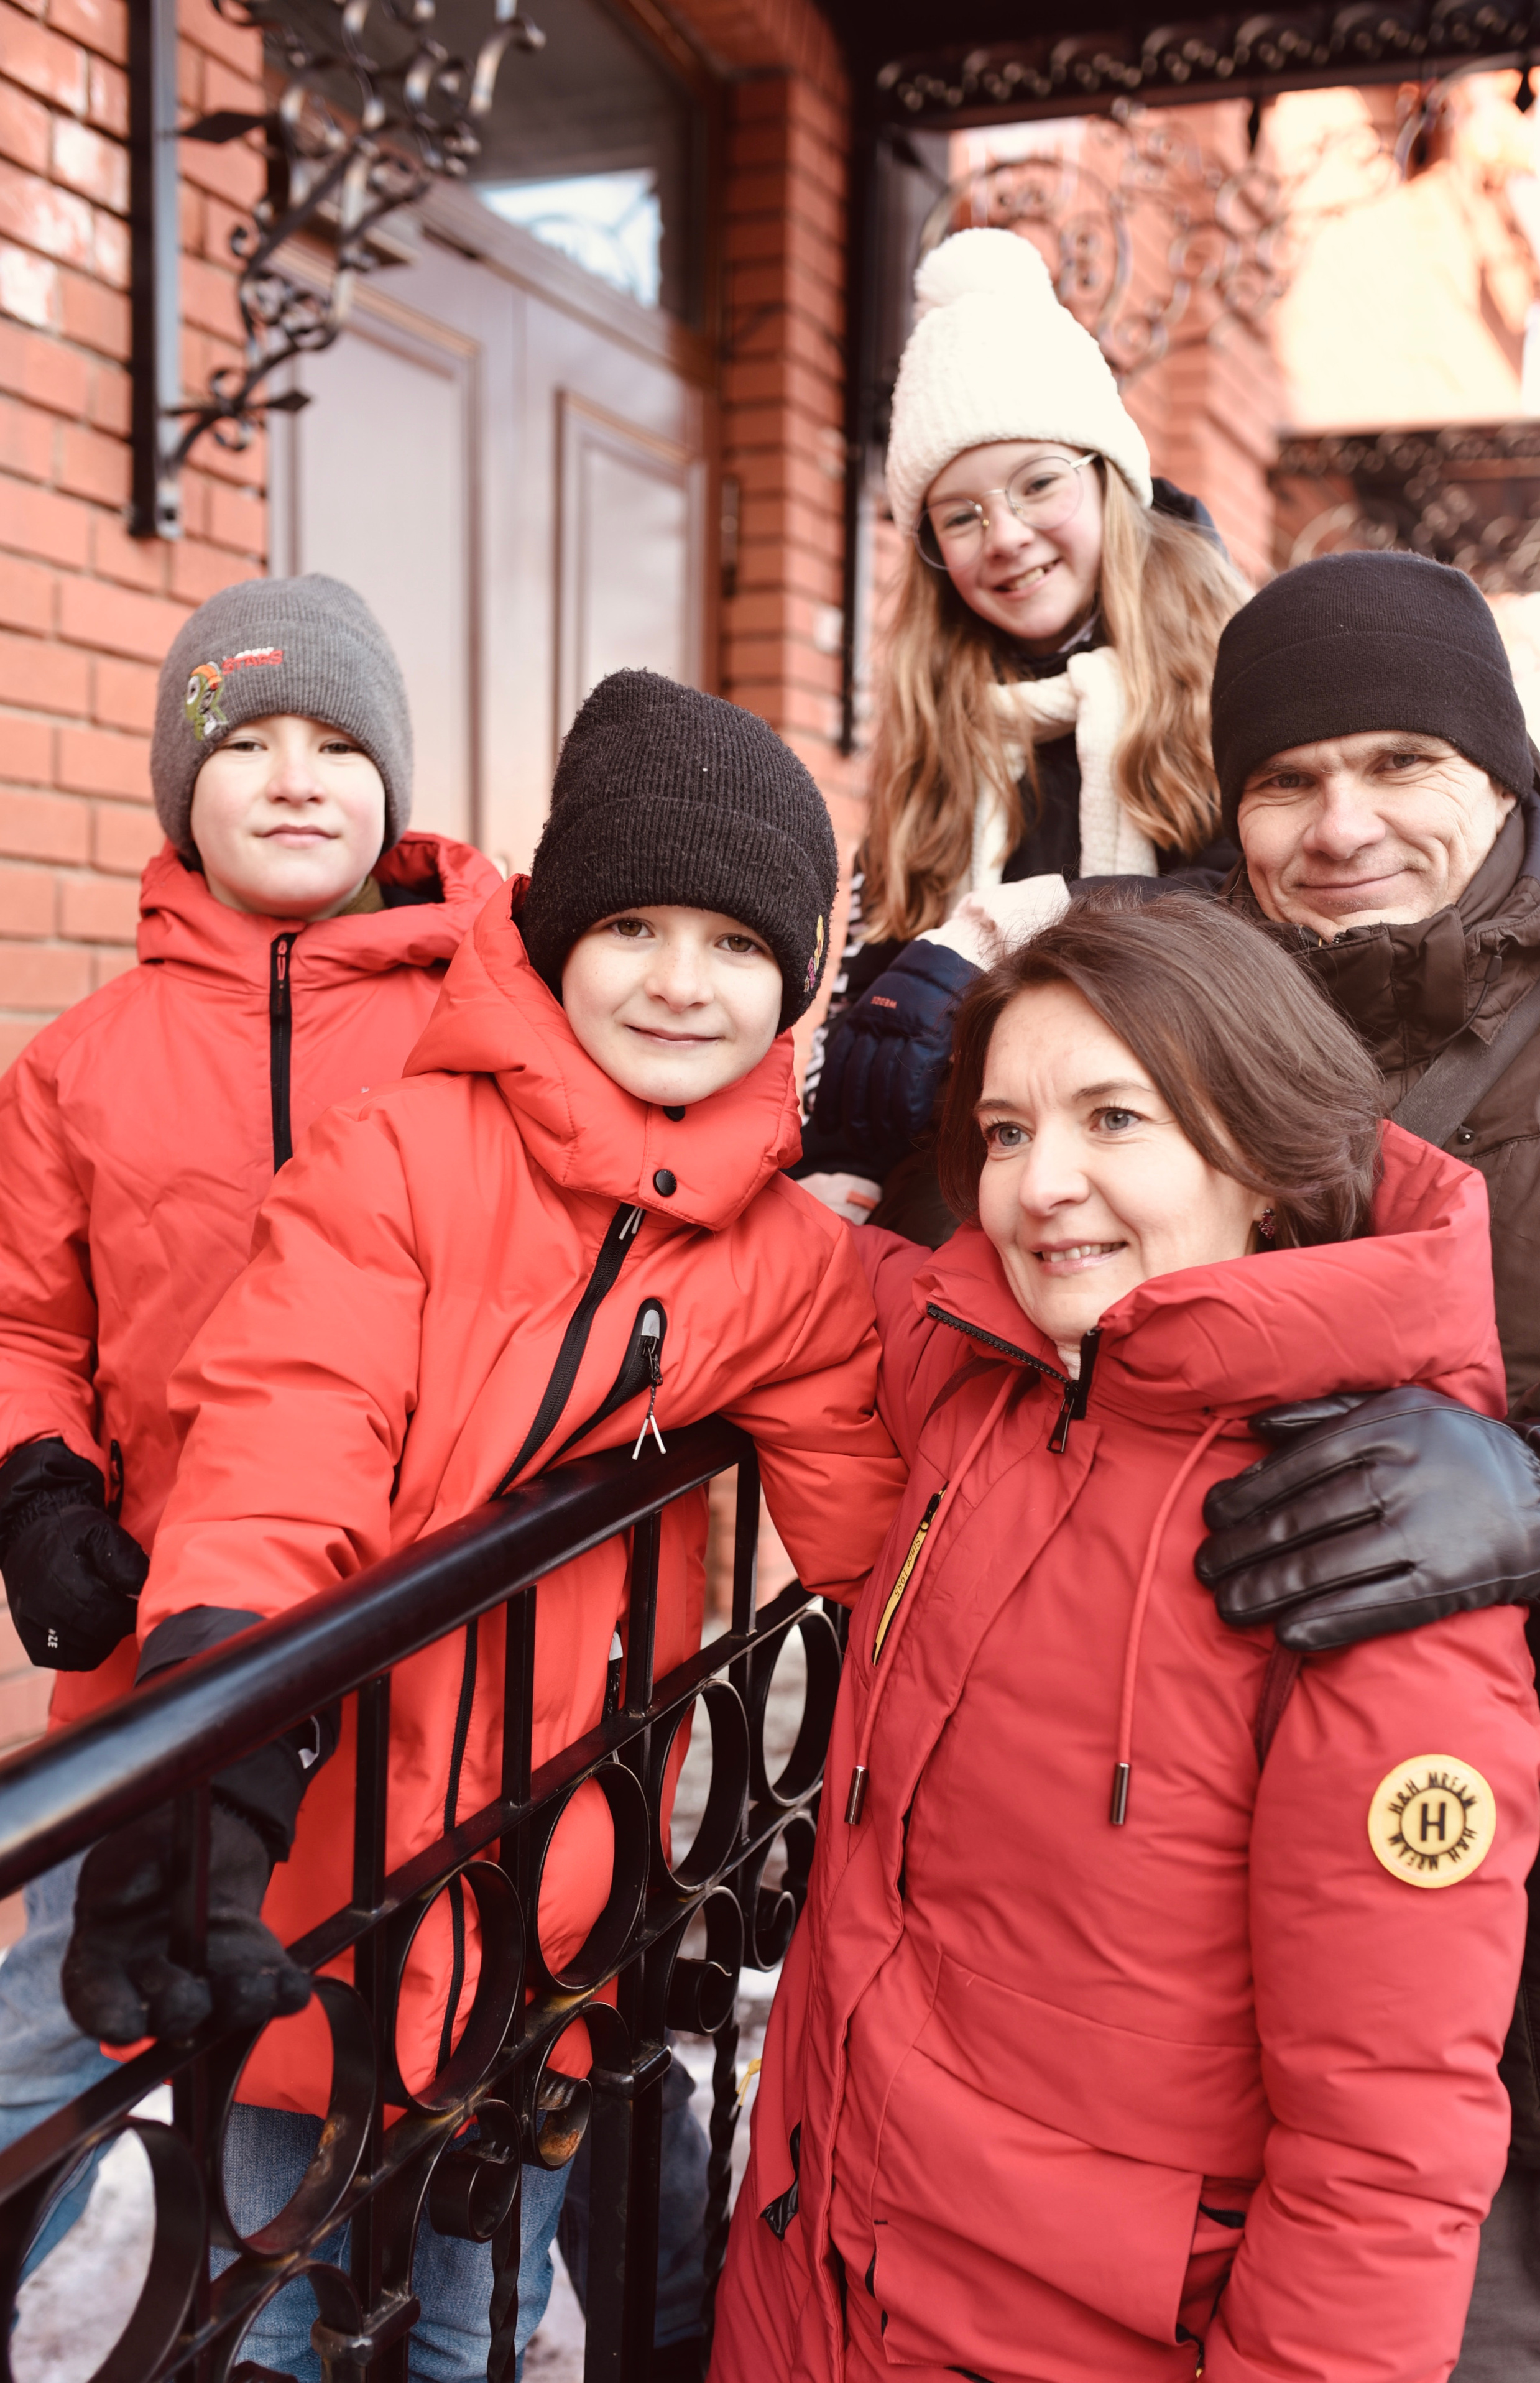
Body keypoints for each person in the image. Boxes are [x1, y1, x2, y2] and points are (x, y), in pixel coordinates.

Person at [58, 668, 908, 2382]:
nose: (682, 981)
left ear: (798, 979)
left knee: (475, 2324)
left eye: (739, 945)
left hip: (547, 1905)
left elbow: (875, 1535)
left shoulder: (794, 1264)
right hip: (317, 1886)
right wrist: (216, 1707)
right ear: (551, 933)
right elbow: (289, 1429)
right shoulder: (398, 1156)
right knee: (273, 2299)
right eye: (637, 926)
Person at [711, 893, 1540, 2383]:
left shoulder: (1356, 1544)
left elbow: (1385, 2150)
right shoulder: (992, 1381)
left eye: (1114, 1118)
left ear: (1261, 1153)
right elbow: (769, 1239)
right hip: (807, 2289)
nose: (1043, 1187)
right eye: (1009, 1132)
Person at [0, 574, 500, 2257]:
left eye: (340, 742)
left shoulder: (484, 1031)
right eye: (248, 742)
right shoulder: (78, 1064)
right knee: (62, 2025)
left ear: (396, 785)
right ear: (178, 790)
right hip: (171, 1644)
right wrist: (38, 1482)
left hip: (416, 1637)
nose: (296, 777)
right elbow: (23, 1319)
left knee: (389, 2038)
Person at [1183, 551, 1540, 2379]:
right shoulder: (1179, 1018)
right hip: (1210, 1887)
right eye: (1286, 780)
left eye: (1400, 763)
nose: (1341, 824)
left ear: (1501, 774)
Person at [796, 224, 1248, 1240]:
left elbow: (1248, 910)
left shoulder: (1229, 676)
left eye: (1037, 482)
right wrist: (839, 1160)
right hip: (976, 1181)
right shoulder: (934, 729)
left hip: (1191, 1168)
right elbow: (881, 974)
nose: (1004, 536)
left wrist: (1002, 925)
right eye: (960, 515)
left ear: (1106, 480)